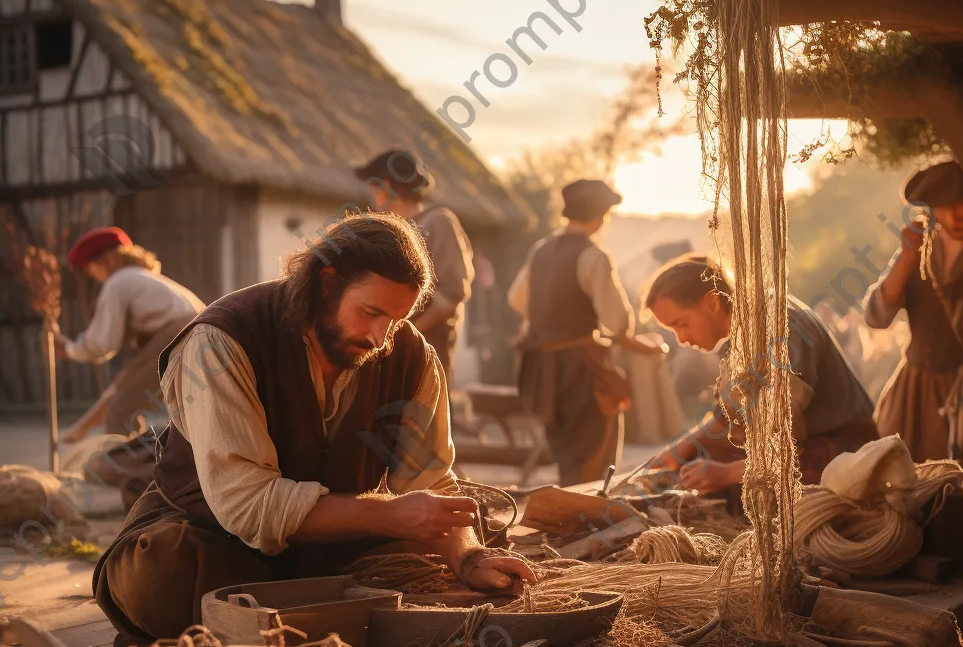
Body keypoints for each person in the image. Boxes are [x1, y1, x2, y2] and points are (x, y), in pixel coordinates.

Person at [92, 213, 535, 642]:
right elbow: (248, 505)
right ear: (327, 282)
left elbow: (432, 483)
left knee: (428, 558)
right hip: (213, 540)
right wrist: (391, 514)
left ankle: (317, 601)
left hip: (336, 543)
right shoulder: (223, 341)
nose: (381, 338)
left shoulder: (412, 357)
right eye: (370, 312)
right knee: (167, 577)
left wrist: (469, 557)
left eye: (396, 320)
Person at [864, 159, 963, 512]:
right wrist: (904, 263)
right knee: (905, 490)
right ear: (932, 209)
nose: (956, 214)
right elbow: (876, 317)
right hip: (915, 392)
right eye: (945, 207)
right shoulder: (919, 248)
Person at [643, 253, 879, 492]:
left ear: (713, 302)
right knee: (690, 462)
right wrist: (672, 453)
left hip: (844, 450)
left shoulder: (780, 330)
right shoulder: (742, 330)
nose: (681, 339)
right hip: (793, 444)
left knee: (712, 477)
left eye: (681, 324)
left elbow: (781, 439)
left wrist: (727, 473)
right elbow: (727, 418)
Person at [507, 179, 667, 486]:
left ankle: (570, 509)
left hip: (541, 369)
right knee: (594, 447)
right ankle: (582, 514)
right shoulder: (594, 256)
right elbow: (617, 322)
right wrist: (648, 346)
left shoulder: (540, 250)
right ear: (600, 215)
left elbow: (517, 299)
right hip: (579, 368)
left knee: (566, 447)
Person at [57, 227, 204, 442]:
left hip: (175, 336)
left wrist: (68, 349)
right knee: (130, 400)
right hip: (201, 334)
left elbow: (100, 343)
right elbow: (121, 386)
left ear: (106, 260)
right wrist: (81, 428)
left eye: (91, 269)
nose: (94, 277)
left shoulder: (119, 283)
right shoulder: (146, 280)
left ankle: (129, 473)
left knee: (121, 414)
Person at [356, 150, 474, 381]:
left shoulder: (438, 222)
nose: (371, 197)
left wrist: (399, 334)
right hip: (386, 356)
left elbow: (452, 293)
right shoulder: (387, 230)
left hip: (423, 358)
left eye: (374, 190)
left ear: (387, 188)